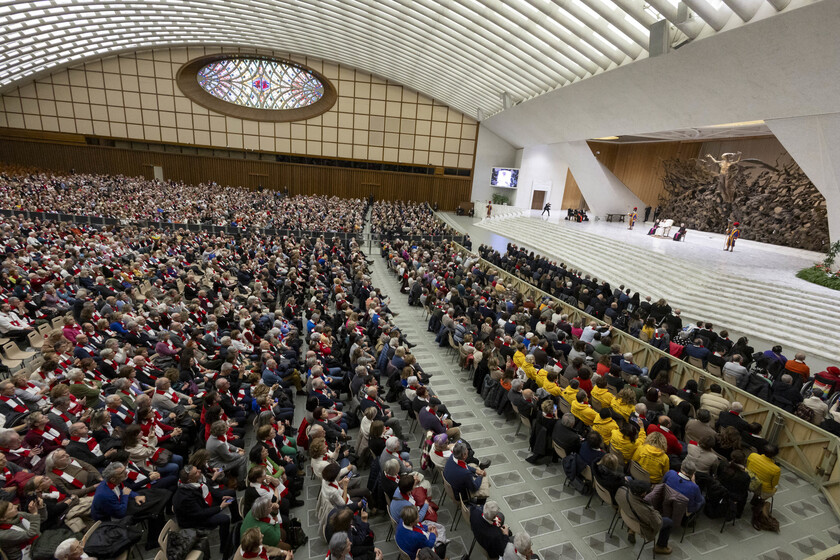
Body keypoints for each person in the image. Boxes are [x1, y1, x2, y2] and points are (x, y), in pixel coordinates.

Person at [173, 465, 238, 554]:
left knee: (231, 493)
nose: (200, 471)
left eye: (197, 469)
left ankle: (236, 518)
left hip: (203, 504)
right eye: (196, 472)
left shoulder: (195, 482)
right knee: (224, 519)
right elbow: (200, 513)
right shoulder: (185, 497)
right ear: (189, 480)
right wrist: (220, 507)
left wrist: (221, 497)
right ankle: (225, 548)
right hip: (195, 520)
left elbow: (210, 491)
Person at [615, 481, 673, 555]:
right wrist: (655, 512)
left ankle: (631, 530)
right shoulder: (647, 511)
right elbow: (657, 524)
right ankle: (660, 547)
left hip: (628, 514)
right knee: (668, 522)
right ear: (643, 494)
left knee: (636, 514)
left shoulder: (621, 490)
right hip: (641, 526)